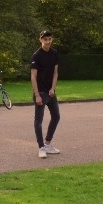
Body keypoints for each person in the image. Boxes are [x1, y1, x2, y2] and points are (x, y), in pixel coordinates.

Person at [31, 30, 61, 159]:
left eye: (49, 39)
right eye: (45, 39)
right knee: (39, 120)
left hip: (50, 92)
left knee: (56, 116)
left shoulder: (54, 54)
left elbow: (55, 73)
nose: (47, 41)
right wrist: (37, 94)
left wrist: (53, 89)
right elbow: (33, 76)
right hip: (40, 92)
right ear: (40, 40)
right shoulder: (36, 56)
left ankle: (48, 144)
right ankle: (41, 147)